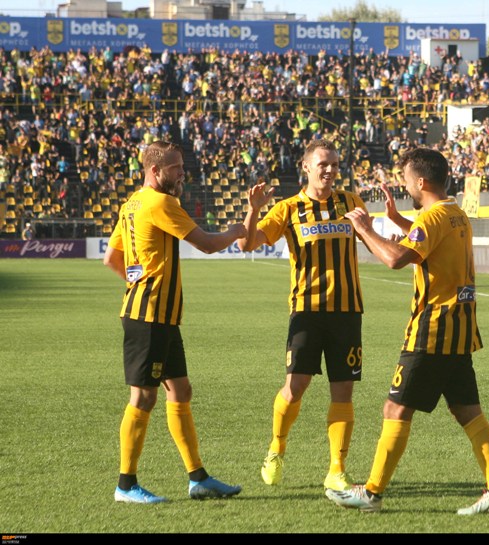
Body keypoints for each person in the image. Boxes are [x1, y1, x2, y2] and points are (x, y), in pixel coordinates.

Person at [325, 148, 489, 515]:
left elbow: (396, 258)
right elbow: (429, 241)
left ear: (422, 182)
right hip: (460, 329)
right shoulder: (455, 213)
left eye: (407, 180)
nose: (405, 186)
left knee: (396, 408)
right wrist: (397, 220)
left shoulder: (433, 217)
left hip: (432, 329)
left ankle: (372, 494)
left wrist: (365, 230)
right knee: (468, 411)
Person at [103, 141, 244, 504]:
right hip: (149, 317)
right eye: (176, 167)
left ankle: (198, 478)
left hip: (159, 317)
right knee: (143, 396)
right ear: (155, 171)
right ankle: (125, 485)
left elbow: (112, 258)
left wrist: (137, 281)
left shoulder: (132, 203)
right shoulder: (161, 203)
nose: (183, 173)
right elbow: (208, 244)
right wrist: (235, 231)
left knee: (180, 391)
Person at [237, 139, 367, 492]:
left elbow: (369, 238)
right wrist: (253, 210)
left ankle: (337, 469)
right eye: (323, 164)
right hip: (306, 312)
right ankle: (276, 448)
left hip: (347, 312)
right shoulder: (289, 208)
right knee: (295, 389)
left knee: (343, 392)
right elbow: (247, 244)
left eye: (335, 164)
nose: (330, 170)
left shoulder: (351, 203)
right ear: (306, 167)